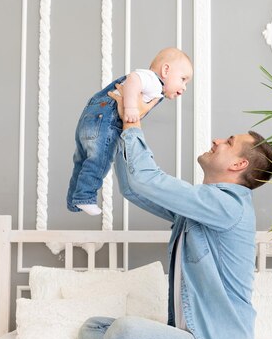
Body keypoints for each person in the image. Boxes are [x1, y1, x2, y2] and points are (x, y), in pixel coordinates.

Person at [78, 83, 272, 339]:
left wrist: (132, 119)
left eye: (228, 142)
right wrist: (119, 126)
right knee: (94, 329)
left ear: (239, 164)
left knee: (124, 333)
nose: (216, 140)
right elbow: (134, 187)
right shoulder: (202, 206)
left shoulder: (228, 205)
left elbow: (147, 179)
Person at [67, 47, 193, 216]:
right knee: (100, 159)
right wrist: (131, 107)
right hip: (104, 120)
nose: (184, 87)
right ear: (166, 70)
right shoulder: (153, 80)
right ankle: (85, 197)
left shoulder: (154, 86)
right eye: (183, 79)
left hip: (90, 118)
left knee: (82, 160)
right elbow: (133, 79)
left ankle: (74, 201)